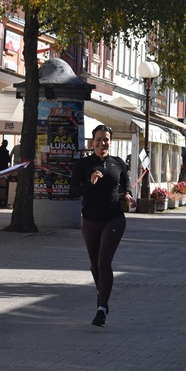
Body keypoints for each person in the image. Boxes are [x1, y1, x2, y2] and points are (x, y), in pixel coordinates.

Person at [70, 124, 135, 327]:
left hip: (114, 219)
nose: (102, 143)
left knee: (103, 263)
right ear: (92, 142)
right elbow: (73, 191)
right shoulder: (83, 164)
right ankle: (102, 295)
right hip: (90, 220)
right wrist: (90, 183)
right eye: (98, 139)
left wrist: (128, 195)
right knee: (95, 264)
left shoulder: (118, 163)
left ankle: (101, 308)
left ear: (110, 142)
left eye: (106, 139)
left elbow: (126, 185)